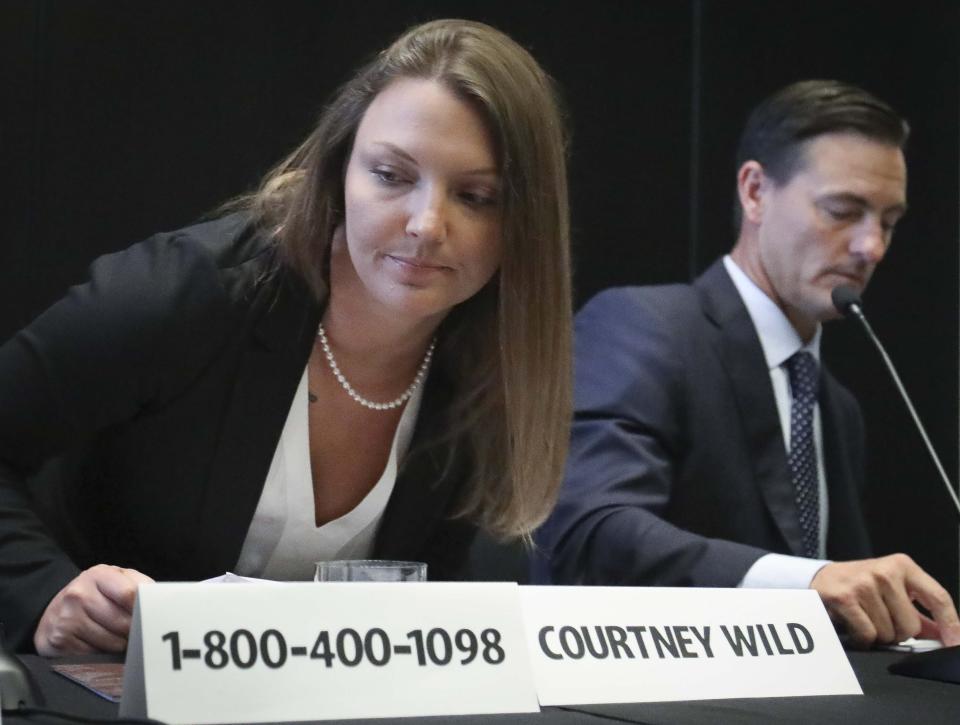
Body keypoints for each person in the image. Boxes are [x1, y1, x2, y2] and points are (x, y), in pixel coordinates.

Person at [0, 19, 572, 655]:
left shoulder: (490, 366)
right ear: (339, 172)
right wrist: (43, 592)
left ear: (523, 221)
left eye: (476, 196)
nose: (426, 224)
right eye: (390, 174)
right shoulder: (189, 294)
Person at [533, 80, 960, 649]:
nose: (872, 247)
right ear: (755, 192)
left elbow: (846, 597)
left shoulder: (838, 407)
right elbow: (592, 531)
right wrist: (805, 581)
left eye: (889, 221)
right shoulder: (646, 326)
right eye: (843, 210)